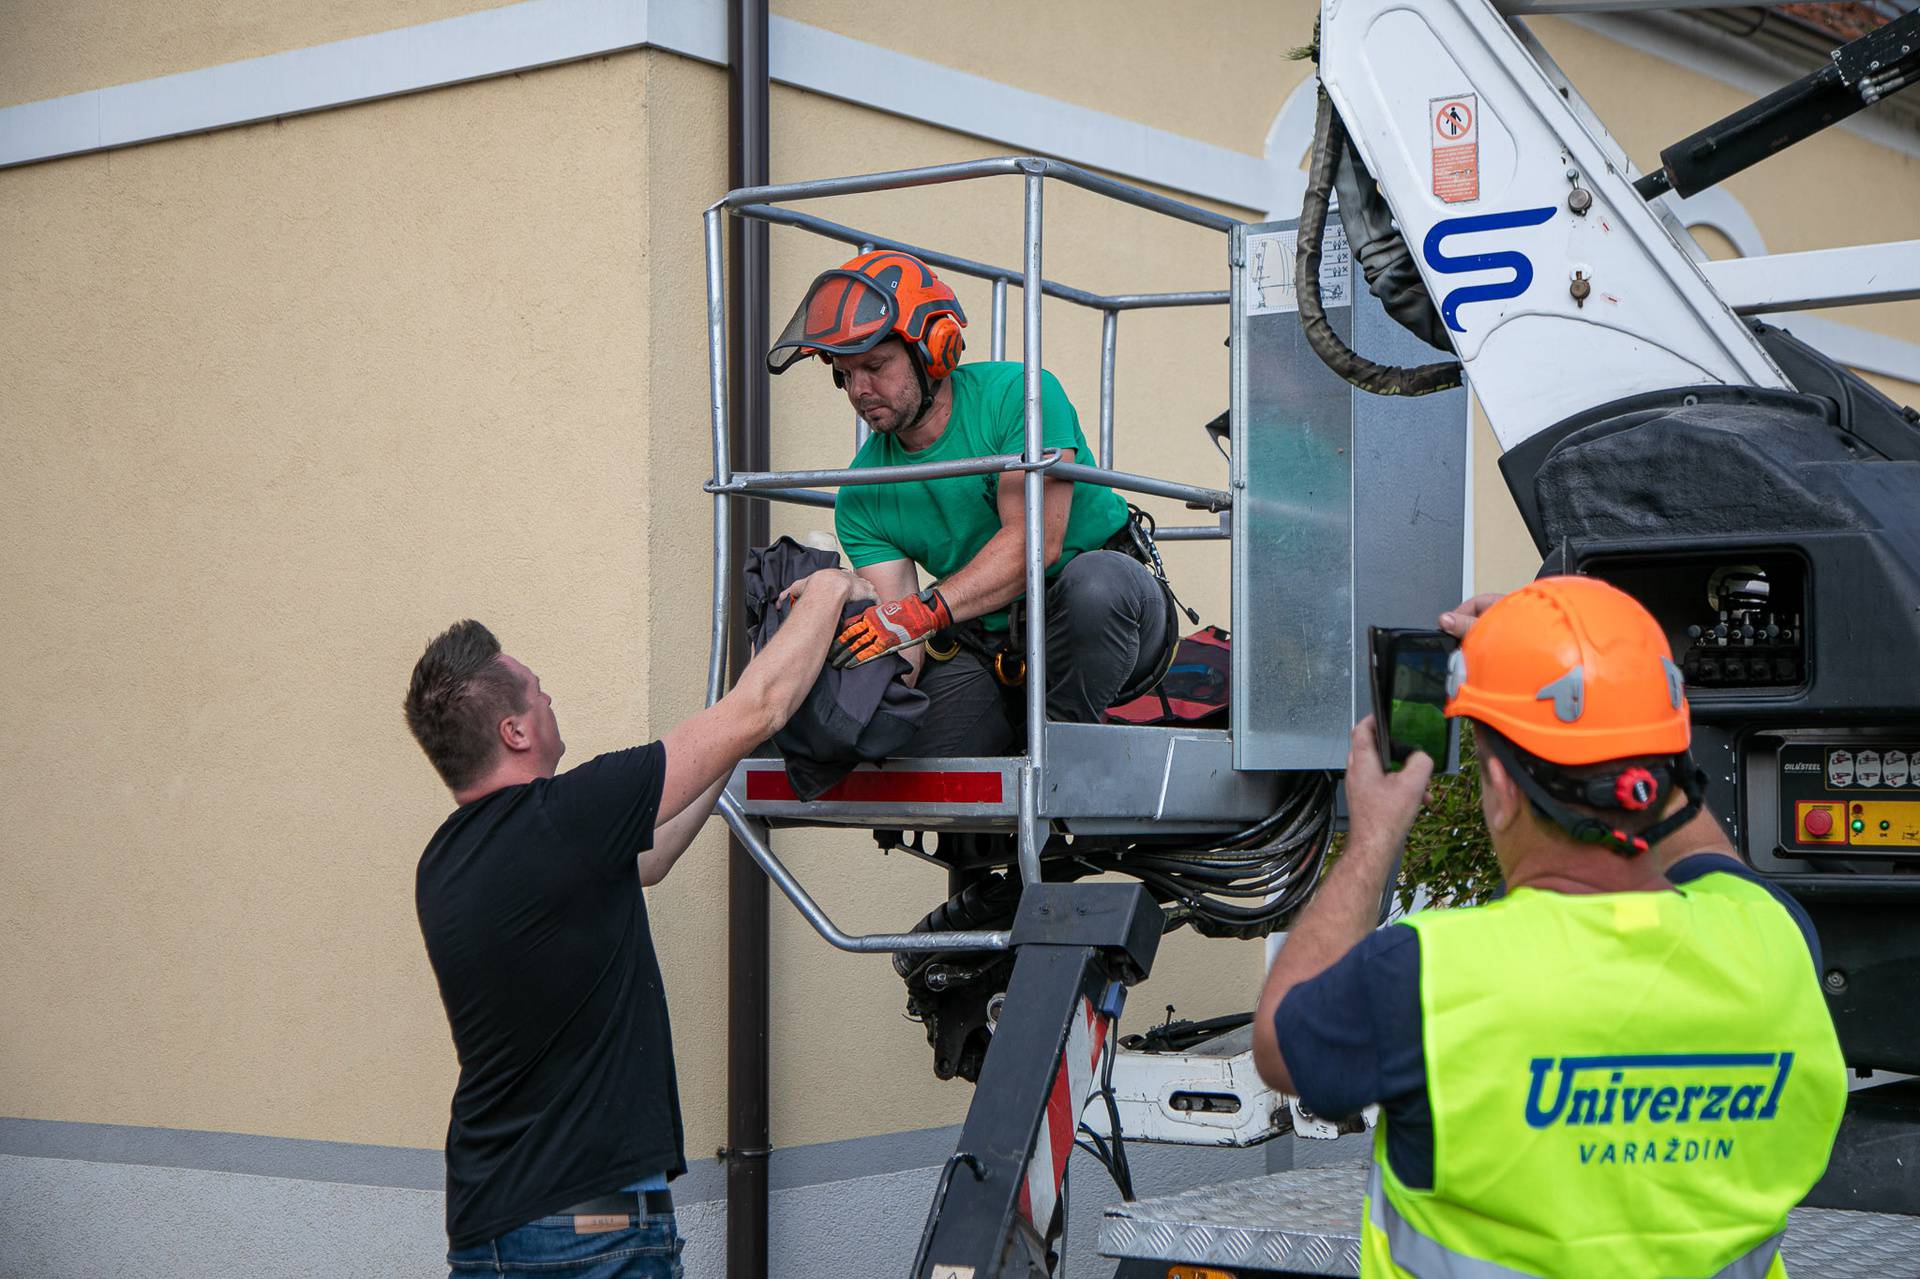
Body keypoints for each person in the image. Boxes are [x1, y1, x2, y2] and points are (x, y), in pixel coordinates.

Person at [1252, 576, 1846, 1278]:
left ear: (1502, 792)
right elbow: (1704, 847)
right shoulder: (1772, 939)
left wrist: (1374, 836)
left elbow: (1279, 1039)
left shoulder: (1427, 978)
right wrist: (1606, 692)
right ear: (1664, 767)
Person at [403, 567, 867, 1277]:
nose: (550, 696)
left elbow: (648, 859)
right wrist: (831, 588)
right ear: (515, 728)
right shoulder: (568, 816)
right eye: (537, 690)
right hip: (592, 1231)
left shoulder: (445, 861)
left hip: (488, 1224)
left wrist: (730, 745)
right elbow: (762, 706)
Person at [768, 249, 1175, 756]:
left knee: (1096, 586)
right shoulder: (862, 492)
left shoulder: (1021, 396)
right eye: (845, 375)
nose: (859, 390)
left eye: (874, 366)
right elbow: (905, 640)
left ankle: (1059, 763)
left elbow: (1034, 546)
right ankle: (995, 821)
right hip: (990, 639)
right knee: (908, 760)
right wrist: (836, 628)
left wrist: (921, 613)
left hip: (1111, 614)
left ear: (933, 348)